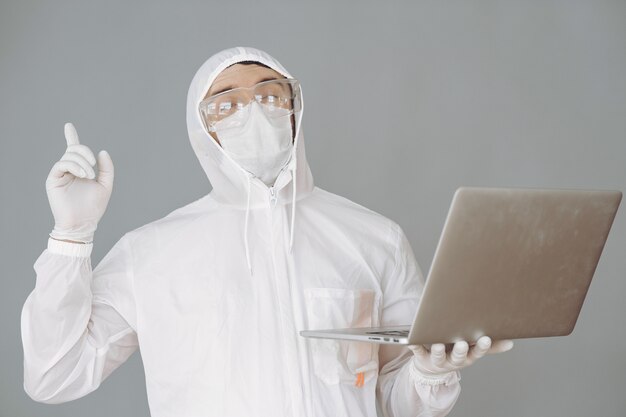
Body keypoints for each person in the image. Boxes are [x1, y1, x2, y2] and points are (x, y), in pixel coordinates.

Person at [21, 46, 513, 417]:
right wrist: (71, 236)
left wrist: (429, 373)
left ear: (296, 108)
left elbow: (392, 400)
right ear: (201, 130)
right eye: (226, 103)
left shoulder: (374, 239)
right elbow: (52, 376)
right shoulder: (150, 252)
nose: (254, 110)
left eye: (271, 94)